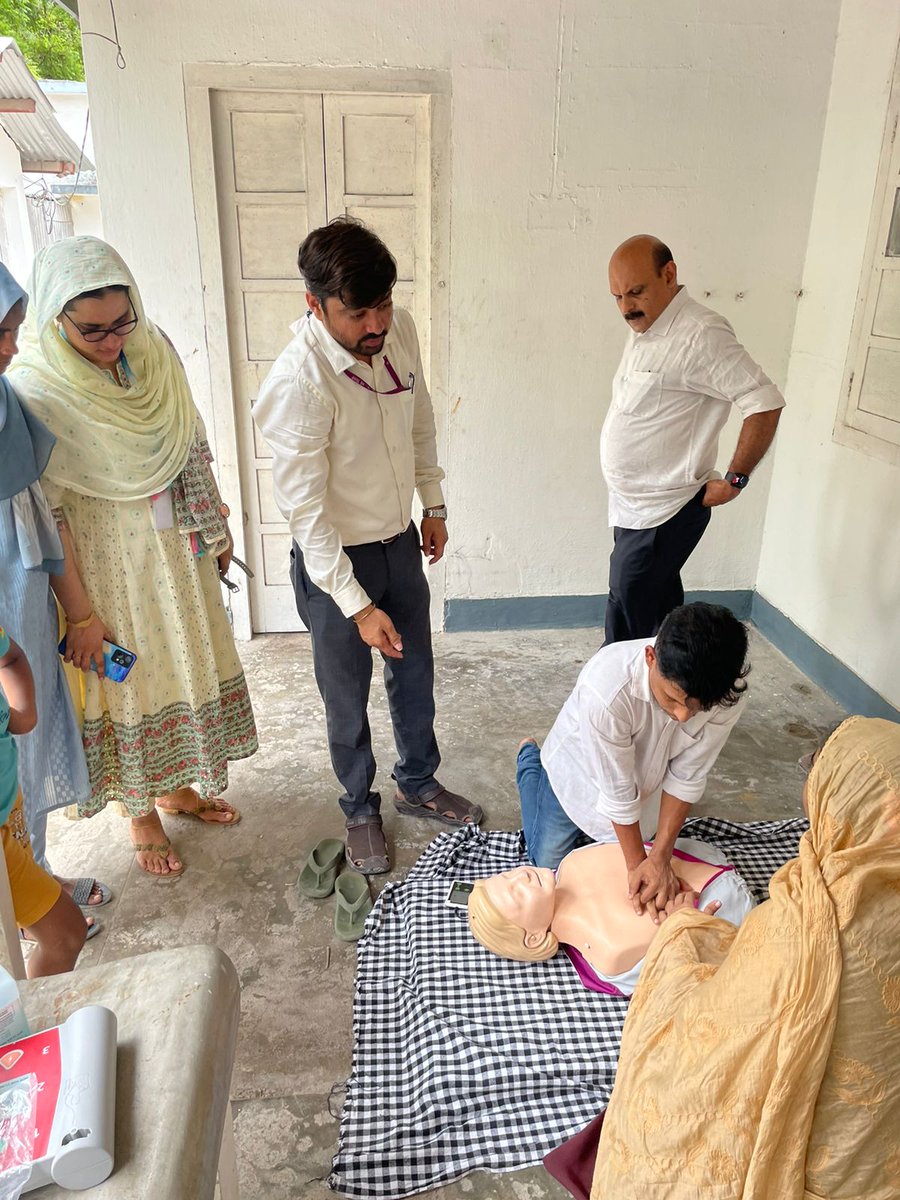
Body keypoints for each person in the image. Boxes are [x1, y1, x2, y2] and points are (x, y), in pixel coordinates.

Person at [10, 237, 258, 876]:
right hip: (104, 567)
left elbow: (190, 440)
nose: (113, 340)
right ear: (54, 319)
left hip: (175, 551)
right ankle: (141, 812)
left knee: (181, 664)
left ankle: (175, 786)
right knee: (127, 678)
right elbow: (50, 512)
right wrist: (83, 614)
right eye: (92, 331)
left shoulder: (153, 352)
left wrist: (218, 522)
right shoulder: (37, 388)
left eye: (124, 321)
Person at [253, 216, 481, 876]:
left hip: (400, 543)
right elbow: (306, 515)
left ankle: (419, 782)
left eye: (382, 304)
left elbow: (421, 418)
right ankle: (358, 806)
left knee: (415, 674)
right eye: (358, 314)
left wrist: (432, 503)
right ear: (315, 305)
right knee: (345, 695)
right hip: (335, 566)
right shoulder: (298, 384)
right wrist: (356, 606)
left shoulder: (397, 328)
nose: (376, 324)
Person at [590, 715, 900, 1200]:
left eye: (816, 776)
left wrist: (682, 933)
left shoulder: (804, 925)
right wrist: (647, 859)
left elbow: (706, 1040)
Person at [601, 234, 785, 644]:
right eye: (617, 296)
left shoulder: (701, 333)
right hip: (635, 508)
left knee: (629, 623)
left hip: (665, 510)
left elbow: (764, 401)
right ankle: (672, 698)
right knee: (656, 616)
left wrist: (736, 480)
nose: (626, 307)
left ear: (669, 274)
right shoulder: (647, 327)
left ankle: (627, 700)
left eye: (635, 292)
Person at [519, 602, 750, 919]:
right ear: (650, 658)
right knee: (546, 866)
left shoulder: (726, 691)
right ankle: (530, 760)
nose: (683, 716)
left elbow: (687, 775)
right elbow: (618, 792)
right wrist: (638, 869)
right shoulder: (606, 689)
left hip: (644, 785)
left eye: (695, 709)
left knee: (620, 869)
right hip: (577, 775)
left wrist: (659, 858)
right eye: (672, 699)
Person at [0, 263, 108, 923]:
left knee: (24, 751)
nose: (10, 348)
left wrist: (77, 607)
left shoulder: (6, 401)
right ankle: (25, 913)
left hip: (22, 587)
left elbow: (35, 508)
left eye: (12, 330)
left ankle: (32, 883)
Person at [467, 837, 755, 997]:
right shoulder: (607, 952)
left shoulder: (572, 860)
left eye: (507, 875)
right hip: (725, 906)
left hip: (698, 854)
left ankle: (529, 757)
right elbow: (686, 979)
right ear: (533, 937)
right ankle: (527, 757)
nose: (521, 876)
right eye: (517, 894)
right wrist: (686, 927)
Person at [0, 626, 88, 975]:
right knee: (65, 934)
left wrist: (23, 713)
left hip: (10, 809)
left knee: (63, 934)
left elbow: (12, 656)